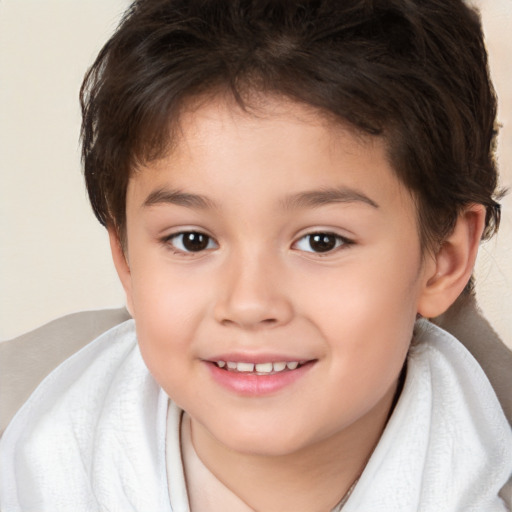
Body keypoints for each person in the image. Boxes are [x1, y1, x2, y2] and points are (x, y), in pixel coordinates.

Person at [1, 0, 511, 510]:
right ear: (128, 260)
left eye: (321, 241)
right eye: (192, 240)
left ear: (444, 258)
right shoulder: (27, 443)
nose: (248, 304)